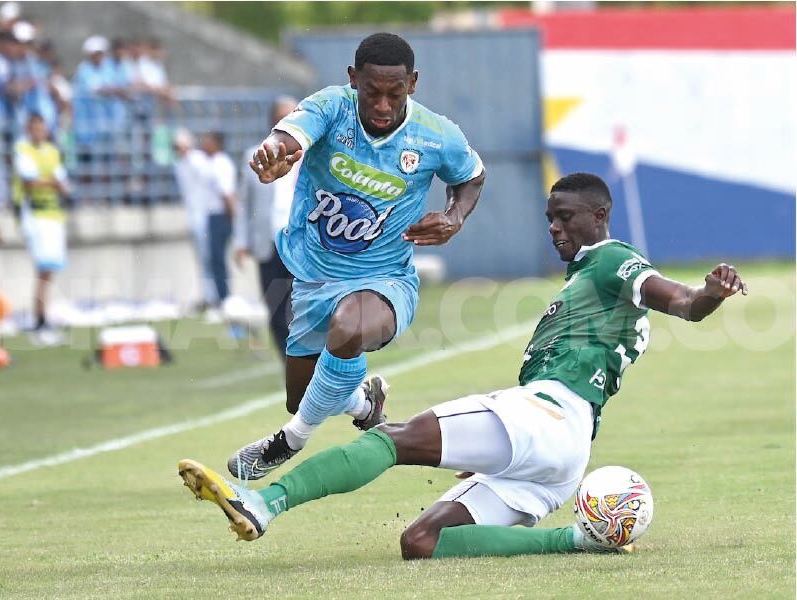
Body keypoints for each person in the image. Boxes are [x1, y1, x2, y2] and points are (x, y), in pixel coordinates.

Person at [178, 172, 747, 559]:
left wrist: (708, 294)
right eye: (549, 218)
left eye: (566, 217)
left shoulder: (610, 261)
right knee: (421, 542)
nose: (554, 228)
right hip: (565, 454)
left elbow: (678, 302)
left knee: (392, 440)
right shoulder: (589, 282)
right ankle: (578, 541)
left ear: (599, 216)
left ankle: (263, 501)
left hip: (546, 415)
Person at [227, 32, 485, 479]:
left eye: (394, 93)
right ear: (353, 80)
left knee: (348, 328)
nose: (383, 106)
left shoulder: (436, 135)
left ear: (413, 83)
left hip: (384, 278)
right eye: (372, 93)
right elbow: (290, 134)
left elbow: (473, 176)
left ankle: (289, 440)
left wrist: (454, 217)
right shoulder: (331, 106)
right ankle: (366, 404)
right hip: (312, 277)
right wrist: (275, 153)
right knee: (305, 395)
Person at [234, 96, 300, 359]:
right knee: (275, 308)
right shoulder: (254, 154)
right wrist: (241, 242)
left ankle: (307, 362)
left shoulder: (310, 154)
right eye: (283, 115)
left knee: (301, 307)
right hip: (267, 242)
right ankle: (289, 363)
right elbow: (243, 204)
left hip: (299, 242)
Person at [13, 112, 70, 346]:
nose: (39, 133)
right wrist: (52, 182)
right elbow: (29, 181)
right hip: (34, 214)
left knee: (49, 271)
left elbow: (62, 184)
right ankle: (39, 321)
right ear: (29, 130)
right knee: (43, 268)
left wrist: (53, 183)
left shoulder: (53, 152)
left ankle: (43, 318)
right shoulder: (23, 150)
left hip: (52, 214)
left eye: (42, 128)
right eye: (35, 128)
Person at [173, 128, 216, 311]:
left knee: (209, 258)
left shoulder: (197, 161)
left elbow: (210, 185)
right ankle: (207, 295)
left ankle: (214, 296)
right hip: (194, 217)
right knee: (202, 259)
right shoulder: (180, 165)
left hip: (205, 215)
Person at [201, 131, 236, 311]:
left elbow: (227, 193)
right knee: (215, 259)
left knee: (218, 258)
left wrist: (231, 217)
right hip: (215, 215)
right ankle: (221, 296)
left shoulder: (221, 163)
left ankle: (224, 298)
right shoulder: (213, 162)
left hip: (221, 215)